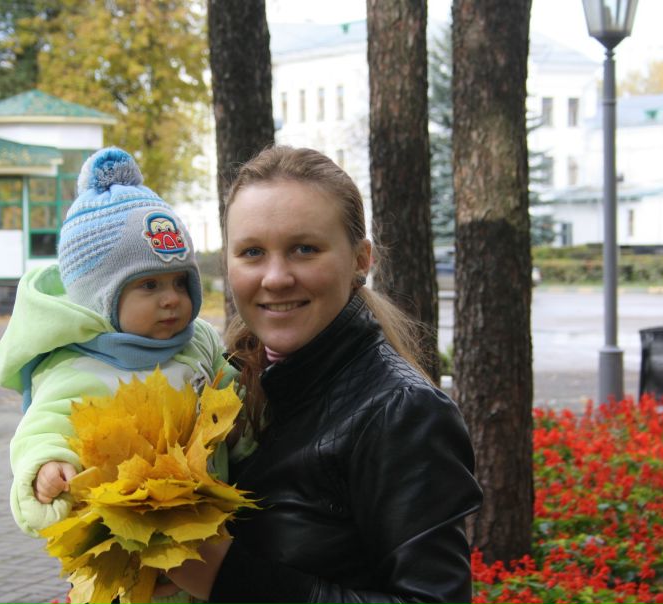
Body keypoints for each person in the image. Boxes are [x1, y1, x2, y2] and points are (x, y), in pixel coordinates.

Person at [160, 146, 483, 604]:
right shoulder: (219, 383)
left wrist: (227, 577)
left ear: (361, 259)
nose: (275, 277)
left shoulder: (402, 412)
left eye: (304, 249)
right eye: (252, 252)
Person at [0, 147, 251, 540]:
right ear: (101, 296)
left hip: (210, 526)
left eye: (179, 282)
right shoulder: (77, 366)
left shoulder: (198, 340)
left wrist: (246, 426)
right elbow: (41, 429)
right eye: (149, 285)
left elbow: (232, 394)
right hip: (128, 540)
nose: (171, 299)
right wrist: (47, 467)